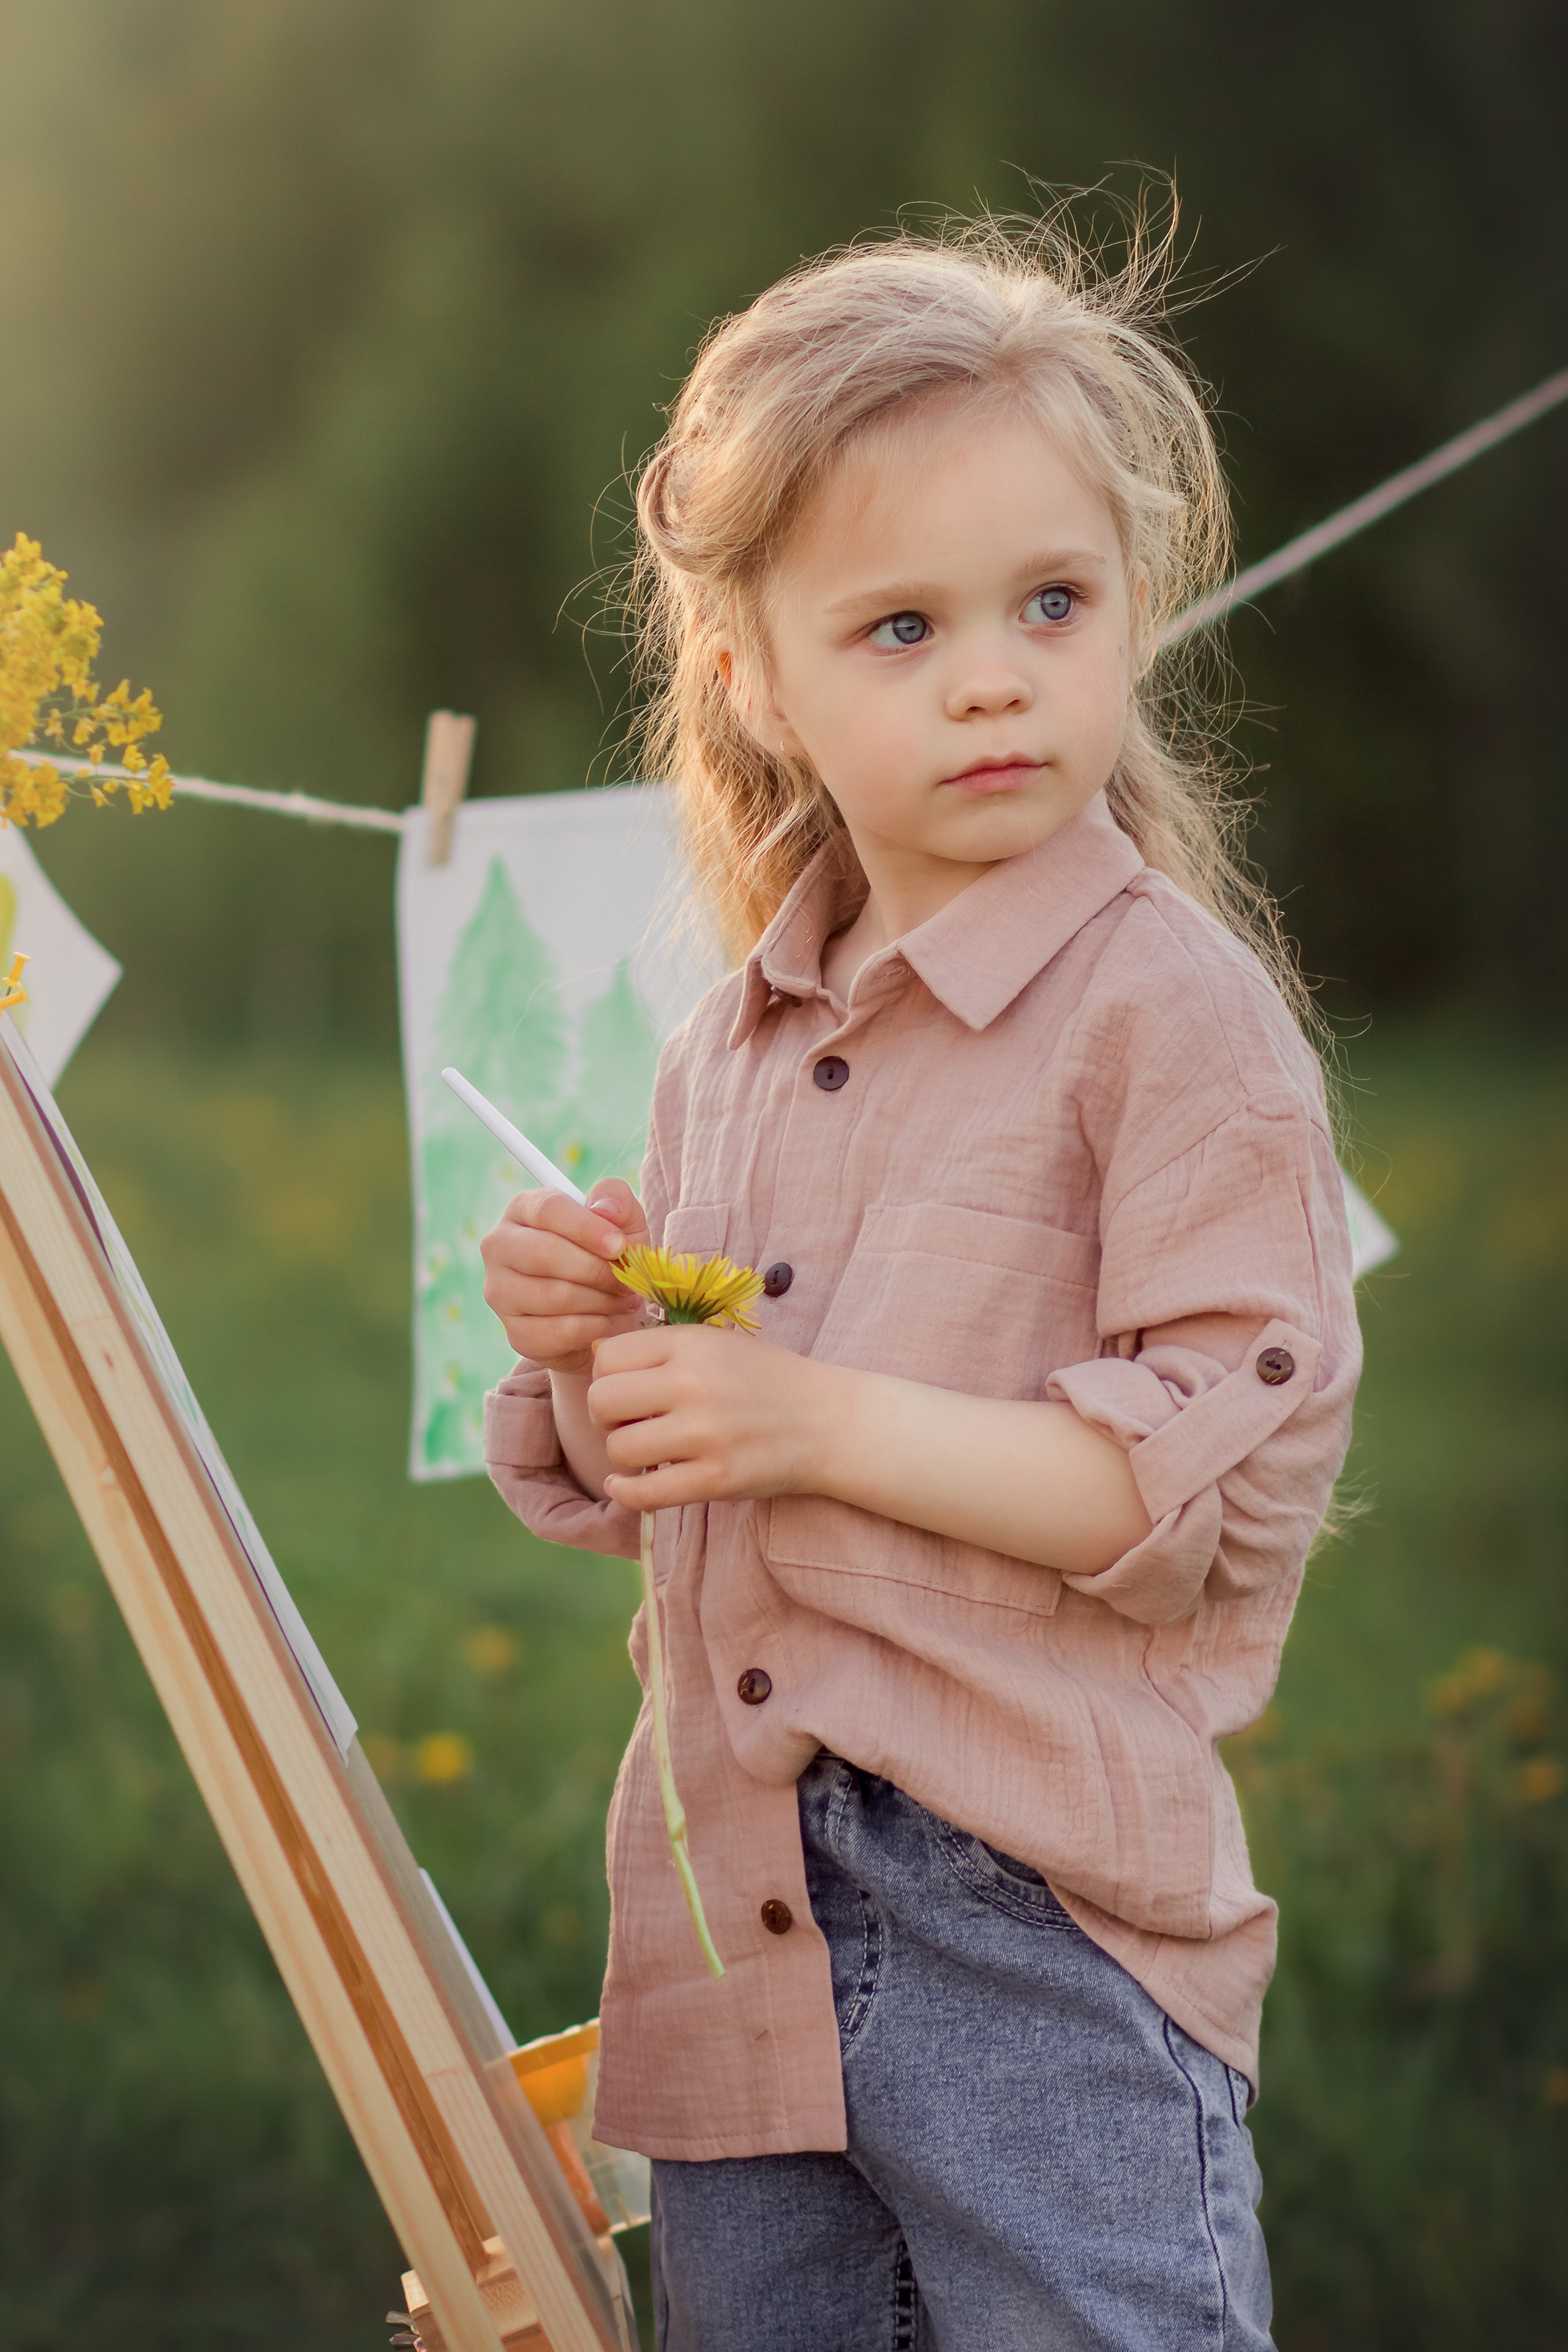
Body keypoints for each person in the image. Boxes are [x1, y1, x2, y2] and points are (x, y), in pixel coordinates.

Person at [480, 216, 1359, 2351]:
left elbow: (1177, 1508)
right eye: (900, 626)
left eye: (1049, 603)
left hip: (1029, 1928)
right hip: (736, 1910)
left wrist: (821, 1421)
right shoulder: (737, 1043)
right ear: (752, 676)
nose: (992, 674)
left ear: (1130, 607)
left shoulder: (1171, 1019)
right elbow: (695, 1475)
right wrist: (602, 1360)